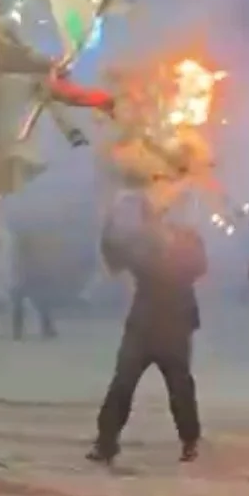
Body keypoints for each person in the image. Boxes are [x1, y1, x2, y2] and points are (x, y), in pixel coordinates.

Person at [87, 199, 206, 464]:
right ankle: (106, 441)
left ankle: (189, 440)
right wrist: (108, 227)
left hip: (175, 322)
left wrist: (168, 251)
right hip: (144, 323)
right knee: (123, 382)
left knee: (180, 386)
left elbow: (198, 267)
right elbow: (116, 259)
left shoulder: (186, 237)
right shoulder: (141, 240)